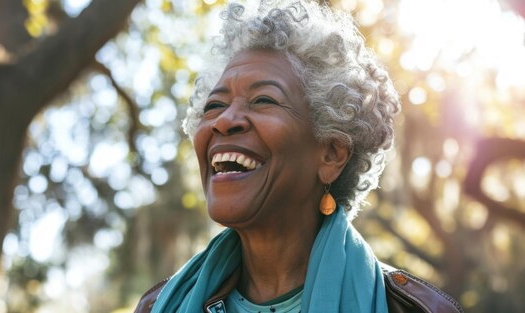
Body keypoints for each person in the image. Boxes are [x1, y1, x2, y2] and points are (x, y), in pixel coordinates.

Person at [136, 1, 462, 312]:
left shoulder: (414, 310)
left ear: (331, 154)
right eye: (215, 105)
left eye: (263, 100)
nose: (223, 121)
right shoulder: (157, 306)